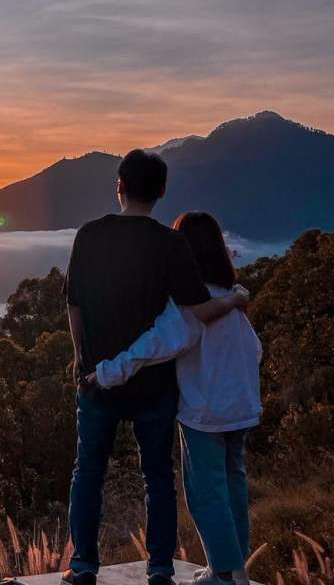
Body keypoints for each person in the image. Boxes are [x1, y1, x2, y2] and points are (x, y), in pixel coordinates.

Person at [62, 150, 250, 585]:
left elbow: (74, 305)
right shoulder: (170, 243)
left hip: (97, 380)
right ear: (162, 192)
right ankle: (160, 568)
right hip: (155, 386)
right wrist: (237, 299)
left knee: (88, 471)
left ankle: (83, 566)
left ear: (119, 186)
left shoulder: (89, 235)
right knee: (158, 477)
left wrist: (80, 357)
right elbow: (198, 309)